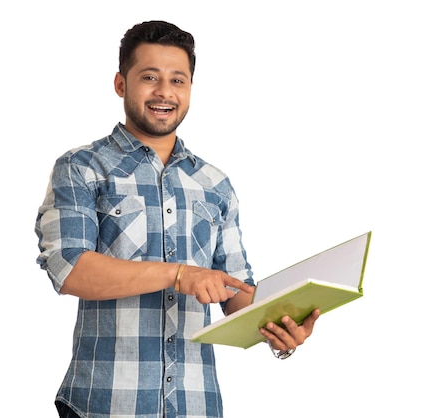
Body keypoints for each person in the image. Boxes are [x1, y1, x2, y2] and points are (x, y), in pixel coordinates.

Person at [35, 20, 320, 418]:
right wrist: (180, 274)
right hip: (106, 405)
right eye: (149, 77)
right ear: (121, 83)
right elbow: (70, 270)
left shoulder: (215, 183)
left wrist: (280, 326)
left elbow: (235, 291)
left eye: (178, 80)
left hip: (196, 404)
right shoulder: (82, 168)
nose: (164, 92)